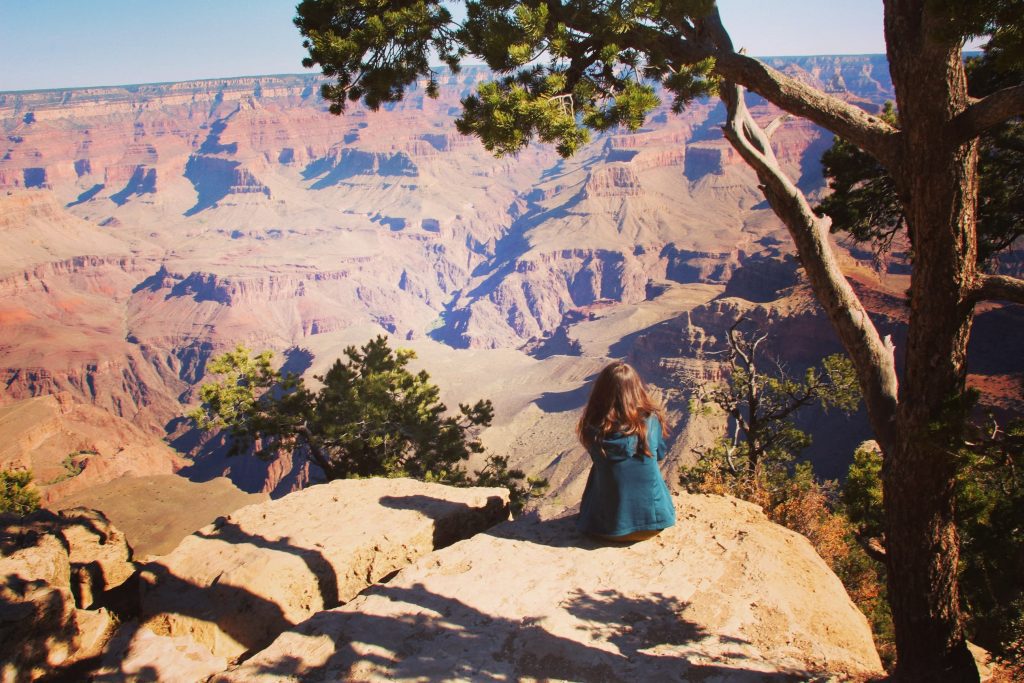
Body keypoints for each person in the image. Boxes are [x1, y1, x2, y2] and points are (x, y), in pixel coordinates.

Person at [576, 361, 675, 542]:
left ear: (601, 391)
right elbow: (660, 454)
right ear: (637, 388)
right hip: (653, 525)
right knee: (647, 462)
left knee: (600, 468)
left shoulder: (592, 426)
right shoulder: (652, 420)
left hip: (605, 529)